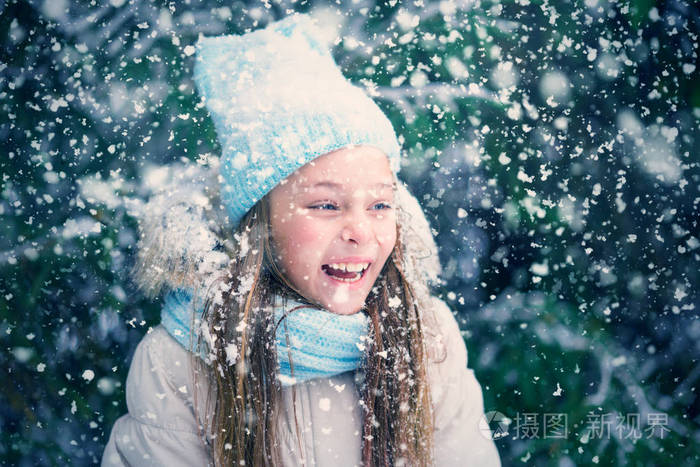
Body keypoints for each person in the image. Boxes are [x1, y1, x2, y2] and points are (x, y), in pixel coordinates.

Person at [102, 13, 501, 467]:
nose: (361, 231)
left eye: (380, 205)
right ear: (262, 224)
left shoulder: (427, 338)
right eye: (326, 206)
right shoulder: (183, 359)